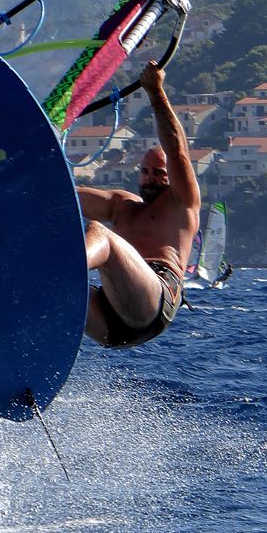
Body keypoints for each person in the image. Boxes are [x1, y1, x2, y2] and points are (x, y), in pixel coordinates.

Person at [76, 60, 200, 348]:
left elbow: (176, 149)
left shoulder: (182, 202)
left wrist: (155, 92)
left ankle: (65, 270)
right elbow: (63, 197)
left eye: (159, 173)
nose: (150, 178)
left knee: (99, 233)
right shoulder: (122, 205)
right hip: (111, 321)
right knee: (42, 285)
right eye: (145, 172)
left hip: (154, 302)